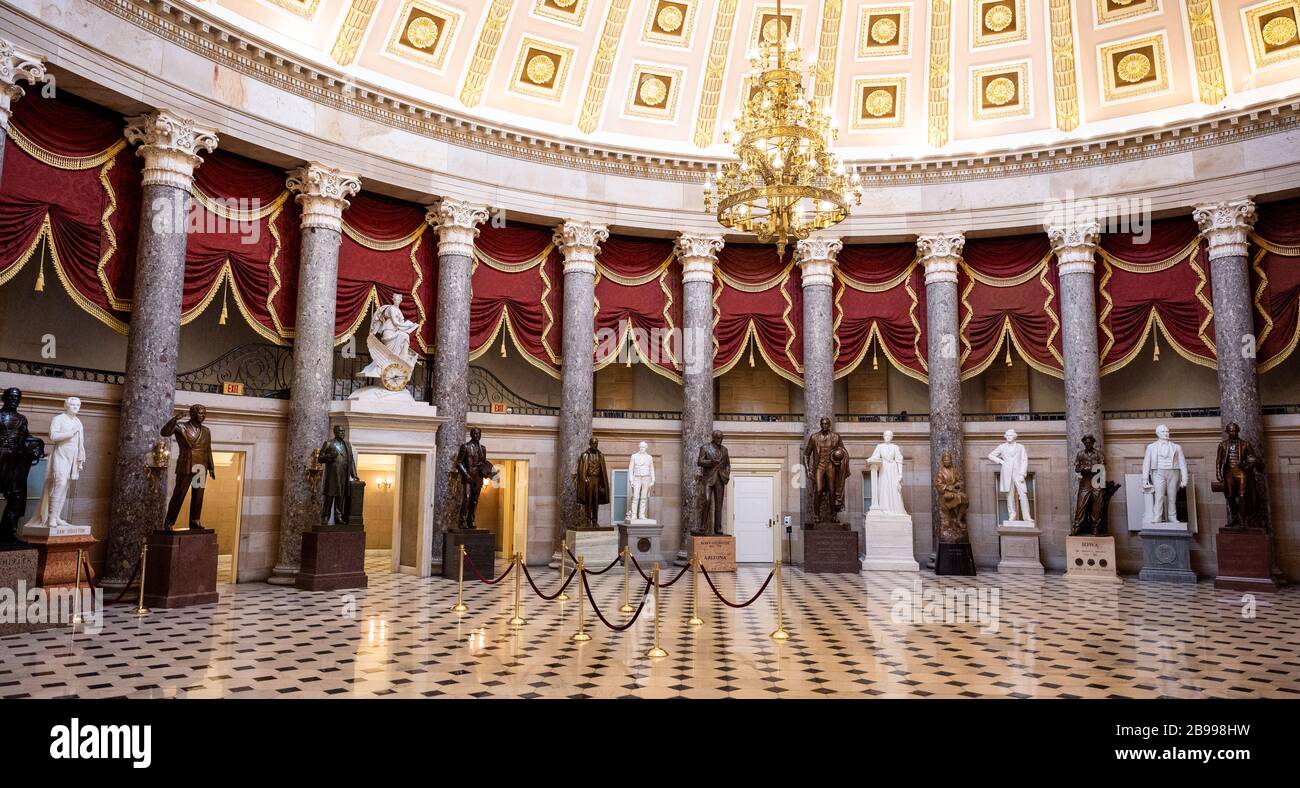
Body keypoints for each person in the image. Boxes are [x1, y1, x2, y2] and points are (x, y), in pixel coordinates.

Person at [26, 397, 85, 531]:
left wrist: (80, 456)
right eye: (73, 405)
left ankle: (57, 516)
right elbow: (53, 436)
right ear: (66, 405)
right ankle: (51, 517)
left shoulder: (78, 421)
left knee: (65, 487)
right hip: (61, 455)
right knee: (60, 483)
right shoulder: (58, 419)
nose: (76, 407)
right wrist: (71, 433)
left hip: (73, 457)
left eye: (78, 405)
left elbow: (80, 442)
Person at [0, 387, 43, 544]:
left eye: (17, 398)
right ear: (4, 398)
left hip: (15, 462)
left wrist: (36, 447)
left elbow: (26, 438)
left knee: (16, 498)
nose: (14, 400)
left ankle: (8, 533)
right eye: (11, 397)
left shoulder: (21, 419)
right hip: (1, 458)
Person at [161, 404, 215, 530]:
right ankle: (169, 522)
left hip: (201, 467)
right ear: (192, 414)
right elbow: (164, 433)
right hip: (186, 465)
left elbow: (208, 449)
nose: (203, 416)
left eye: (204, 413)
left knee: (198, 496)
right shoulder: (181, 426)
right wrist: (175, 419)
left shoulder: (206, 430)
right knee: (179, 495)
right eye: (201, 413)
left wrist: (211, 467)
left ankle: (195, 521)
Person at [1215, 422, 1263, 531]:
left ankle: (1243, 519)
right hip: (1228, 472)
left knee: (1242, 496)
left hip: (1241, 471)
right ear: (1227, 432)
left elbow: (1253, 458)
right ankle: (1234, 517)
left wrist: (1250, 463)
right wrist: (1218, 473)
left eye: (1235, 431)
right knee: (1230, 496)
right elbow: (1219, 460)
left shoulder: (1245, 444)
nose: (1234, 433)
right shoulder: (1222, 445)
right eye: (1231, 431)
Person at [803, 416, 849, 525]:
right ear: (820, 424)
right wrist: (808, 470)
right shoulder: (814, 437)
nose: (824, 426)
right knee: (818, 490)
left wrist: (841, 461)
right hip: (819, 466)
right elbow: (806, 454)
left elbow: (844, 453)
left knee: (832, 491)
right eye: (823, 424)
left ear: (829, 425)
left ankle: (834, 516)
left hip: (831, 466)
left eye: (826, 424)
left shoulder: (836, 437)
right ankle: (816, 515)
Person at [1071, 435, 1120, 536]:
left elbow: (1101, 467)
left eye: (1090, 442)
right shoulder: (1080, 454)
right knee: (1081, 505)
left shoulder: (1098, 454)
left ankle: (1095, 527)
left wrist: (1087, 468)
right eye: (1086, 442)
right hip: (1085, 482)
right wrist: (1089, 468)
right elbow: (1077, 468)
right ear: (1084, 443)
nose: (1088, 444)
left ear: (1093, 443)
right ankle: (1077, 526)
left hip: (1097, 480)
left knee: (1096, 506)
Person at [1142, 424, 1187, 523]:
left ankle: (1172, 516)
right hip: (1158, 472)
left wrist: (1184, 478)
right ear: (1157, 433)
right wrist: (1144, 479)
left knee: (1172, 496)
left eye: (1167, 431)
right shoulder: (1151, 447)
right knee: (1159, 495)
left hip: (1173, 472)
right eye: (1163, 431)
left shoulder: (1176, 447)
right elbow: (1146, 463)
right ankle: (1157, 516)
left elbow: (1182, 463)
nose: (1166, 433)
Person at [454, 427, 496, 530]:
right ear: (472, 435)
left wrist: (487, 472)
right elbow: (458, 463)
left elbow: (483, 462)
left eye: (479, 434)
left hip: (478, 477)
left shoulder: (483, 448)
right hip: (468, 476)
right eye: (475, 434)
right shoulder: (465, 447)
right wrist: (466, 475)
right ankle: (462, 521)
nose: (477, 436)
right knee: (467, 498)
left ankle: (471, 520)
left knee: (474, 500)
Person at [318, 426, 359, 526]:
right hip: (332, 476)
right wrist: (330, 457)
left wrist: (354, 475)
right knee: (329, 497)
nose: (342, 433)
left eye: (343, 431)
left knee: (341, 497)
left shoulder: (347, 445)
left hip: (343, 476)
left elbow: (351, 461)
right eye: (340, 431)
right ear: (335, 432)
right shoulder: (328, 443)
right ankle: (325, 517)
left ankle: (338, 517)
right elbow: (320, 458)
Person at [987, 429, 1032, 522]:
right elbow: (990, 455)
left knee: (1023, 494)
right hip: (1007, 473)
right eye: (1007, 435)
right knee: (1009, 495)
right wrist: (1001, 461)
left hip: (1018, 473)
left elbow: (1024, 460)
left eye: (1010, 435)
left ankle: (1027, 517)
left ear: (1014, 436)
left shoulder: (1020, 447)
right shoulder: (1002, 447)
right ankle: (1012, 515)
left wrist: (1022, 473)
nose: (1008, 437)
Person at [697, 430, 731, 535]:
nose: (720, 441)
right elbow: (700, 461)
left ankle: (718, 528)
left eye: (721, 439)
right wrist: (711, 462)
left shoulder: (725, 450)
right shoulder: (705, 448)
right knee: (707, 500)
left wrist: (727, 474)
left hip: (720, 479)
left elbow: (728, 464)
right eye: (718, 439)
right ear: (714, 438)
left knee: (719, 504)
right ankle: (702, 526)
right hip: (708, 478)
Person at [866, 430, 906, 515]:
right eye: (886, 435)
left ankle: (896, 510)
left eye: (889, 436)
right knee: (884, 487)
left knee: (895, 488)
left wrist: (900, 474)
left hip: (893, 468)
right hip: (884, 468)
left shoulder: (895, 447)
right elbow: (875, 456)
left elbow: (899, 460)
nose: (887, 437)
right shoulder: (879, 446)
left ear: (892, 437)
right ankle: (885, 508)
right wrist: (870, 459)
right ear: (883, 436)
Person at [933, 451, 969, 543]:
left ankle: (958, 519)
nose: (946, 461)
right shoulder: (941, 472)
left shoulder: (955, 470)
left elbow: (960, 481)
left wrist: (957, 485)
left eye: (948, 460)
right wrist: (946, 487)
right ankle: (950, 522)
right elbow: (938, 484)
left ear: (951, 460)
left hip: (955, 491)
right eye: (945, 460)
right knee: (956, 498)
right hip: (946, 494)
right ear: (943, 461)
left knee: (965, 499)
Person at [574, 437, 610, 528]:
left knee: (596, 501)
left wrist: (602, 484)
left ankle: (595, 521)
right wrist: (585, 479)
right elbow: (581, 470)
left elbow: (603, 472)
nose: (595, 445)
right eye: (593, 443)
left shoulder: (600, 455)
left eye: (596, 443)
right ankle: (587, 521)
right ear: (590, 444)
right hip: (589, 480)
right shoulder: (585, 455)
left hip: (597, 481)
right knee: (588, 501)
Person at [626, 441, 655, 521]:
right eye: (641, 447)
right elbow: (631, 469)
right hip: (637, 478)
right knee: (635, 497)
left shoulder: (649, 457)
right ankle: (634, 515)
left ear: (646, 448)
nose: (642, 448)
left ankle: (641, 514)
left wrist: (653, 480)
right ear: (639, 447)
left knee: (644, 497)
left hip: (646, 478)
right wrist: (631, 480)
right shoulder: (634, 456)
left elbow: (651, 469)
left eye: (643, 447)